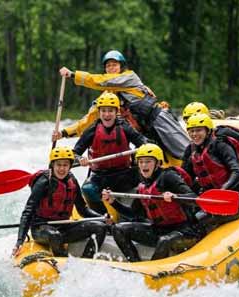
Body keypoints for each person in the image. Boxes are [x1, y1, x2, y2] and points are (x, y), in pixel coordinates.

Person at [54, 50, 189, 159]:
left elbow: (100, 81)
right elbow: (89, 120)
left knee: (185, 151)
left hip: (159, 119)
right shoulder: (107, 97)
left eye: (114, 65)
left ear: (121, 67)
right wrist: (64, 132)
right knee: (155, 160)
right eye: (108, 66)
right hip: (143, 132)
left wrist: (73, 75)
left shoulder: (130, 77)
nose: (111, 68)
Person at [102, 143, 200, 262]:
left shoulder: (169, 176)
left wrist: (176, 196)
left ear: (158, 163)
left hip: (184, 230)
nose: (144, 165)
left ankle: (152, 274)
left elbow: (194, 198)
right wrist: (113, 202)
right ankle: (135, 264)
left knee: (164, 241)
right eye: (141, 161)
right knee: (118, 229)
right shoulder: (142, 186)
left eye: (148, 161)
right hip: (158, 230)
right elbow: (134, 214)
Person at [13, 146, 109, 258]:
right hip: (41, 228)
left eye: (65, 165)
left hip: (63, 226)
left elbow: (83, 209)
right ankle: (64, 262)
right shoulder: (43, 181)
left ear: (70, 166)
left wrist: (102, 217)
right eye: (59, 165)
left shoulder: (72, 181)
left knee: (100, 227)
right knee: (55, 235)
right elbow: (28, 211)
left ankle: (87, 259)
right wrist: (19, 241)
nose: (62, 169)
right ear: (52, 165)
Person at [73, 91, 148, 214]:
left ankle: (136, 215)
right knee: (87, 189)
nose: (107, 114)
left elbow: (143, 143)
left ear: (116, 112)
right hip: (100, 176)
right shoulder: (92, 130)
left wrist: (140, 153)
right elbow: (74, 153)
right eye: (103, 111)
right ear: (99, 112)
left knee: (146, 183)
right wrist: (80, 159)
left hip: (125, 174)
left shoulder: (125, 127)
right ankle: (103, 219)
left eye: (110, 111)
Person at [182, 113, 239, 232]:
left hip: (231, 201)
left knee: (195, 221)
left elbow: (237, 172)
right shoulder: (191, 151)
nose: (194, 134)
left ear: (208, 131)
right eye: (191, 131)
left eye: (198, 130)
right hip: (210, 201)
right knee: (185, 217)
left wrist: (223, 190)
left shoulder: (221, 145)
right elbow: (185, 179)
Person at [182, 102, 239, 182]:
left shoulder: (223, 132)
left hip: (233, 181)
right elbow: (184, 172)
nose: (192, 122)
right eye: (188, 120)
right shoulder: (192, 146)